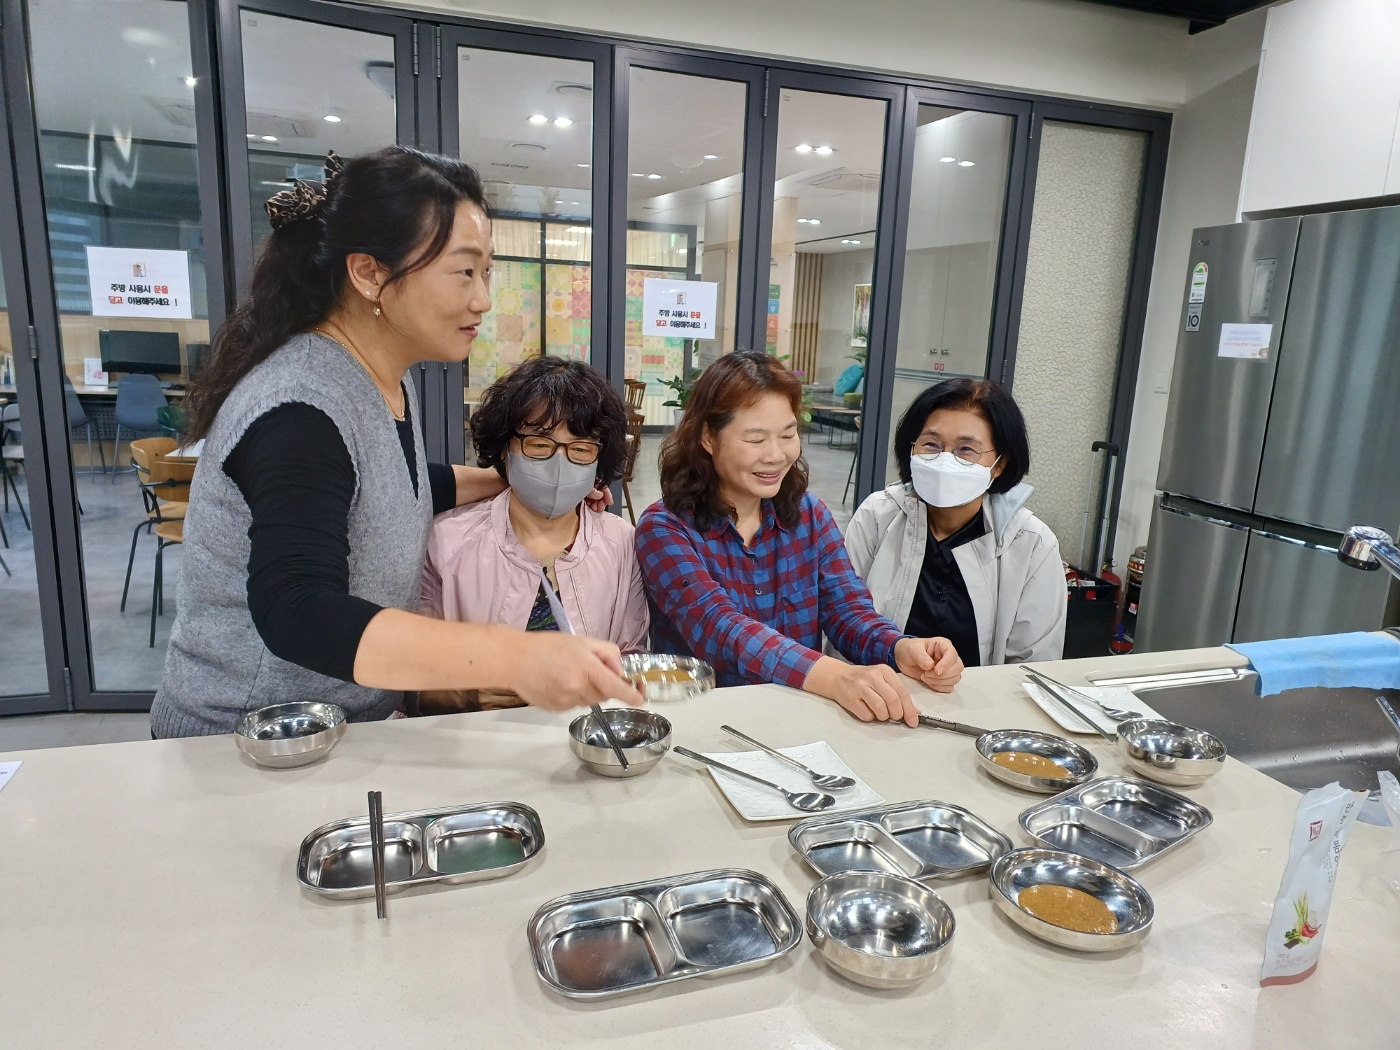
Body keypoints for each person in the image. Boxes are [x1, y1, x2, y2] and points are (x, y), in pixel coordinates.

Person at [150, 148, 642, 737]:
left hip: (347, 728)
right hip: (248, 738)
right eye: (463, 272)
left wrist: (518, 480)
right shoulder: (299, 406)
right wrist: (515, 656)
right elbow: (297, 608)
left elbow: (390, 489)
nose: (482, 299)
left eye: (487, 272)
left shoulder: (382, 378)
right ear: (370, 274)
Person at [635, 352, 964, 728]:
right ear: (708, 437)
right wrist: (835, 677)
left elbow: (847, 610)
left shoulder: (810, 516)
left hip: (800, 722)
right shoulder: (664, 528)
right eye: (756, 439)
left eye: (788, 435)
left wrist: (900, 647)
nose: (776, 455)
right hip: (709, 726)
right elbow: (719, 628)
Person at [418, 356, 649, 712]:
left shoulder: (622, 543)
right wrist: (461, 694)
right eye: (539, 444)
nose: (560, 463)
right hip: (474, 737)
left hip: (582, 735)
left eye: (581, 449)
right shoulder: (446, 542)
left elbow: (633, 655)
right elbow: (410, 676)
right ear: (504, 448)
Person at [844, 378, 1066, 666]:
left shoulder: (1032, 544)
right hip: (878, 690)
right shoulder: (877, 516)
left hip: (985, 695)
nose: (945, 460)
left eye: (966, 449)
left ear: (999, 464)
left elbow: (1033, 665)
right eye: (931, 444)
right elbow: (843, 622)